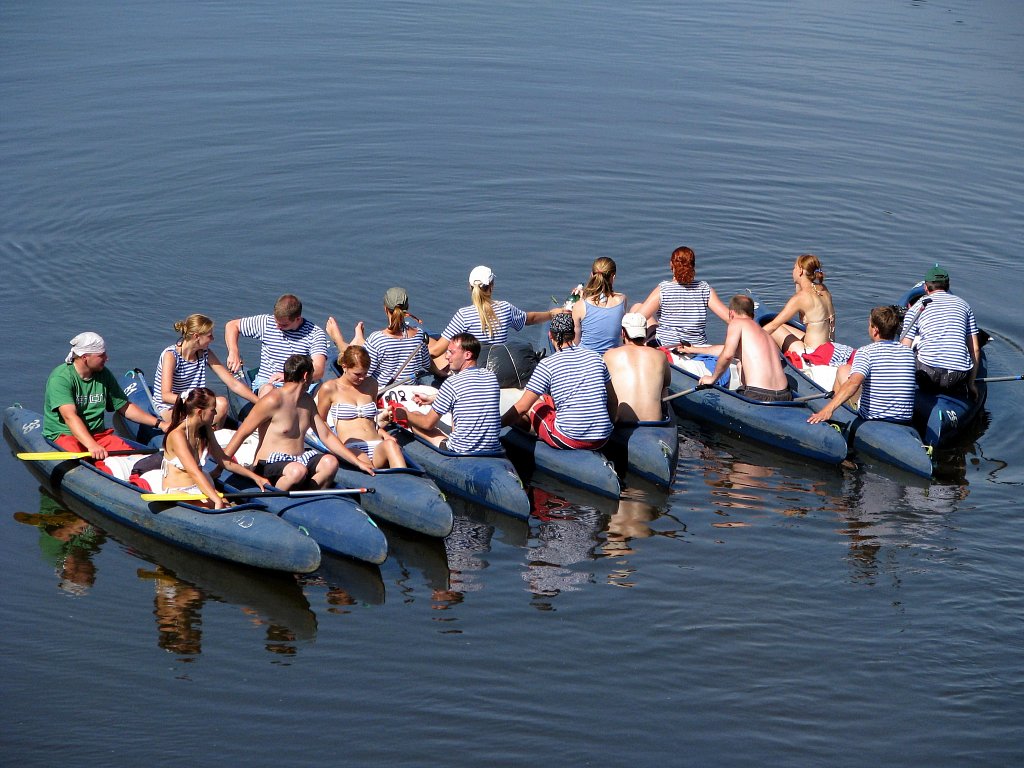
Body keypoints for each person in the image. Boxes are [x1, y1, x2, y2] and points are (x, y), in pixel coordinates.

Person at [223, 354, 374, 491]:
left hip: (299, 460)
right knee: (297, 472)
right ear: (306, 376)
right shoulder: (272, 400)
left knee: (330, 463)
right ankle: (276, 497)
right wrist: (221, 464)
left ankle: (311, 497)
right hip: (268, 464)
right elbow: (243, 432)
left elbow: (326, 435)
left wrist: (356, 462)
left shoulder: (307, 401)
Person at [43, 332, 170, 472]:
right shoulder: (61, 379)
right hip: (66, 435)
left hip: (98, 435)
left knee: (137, 460)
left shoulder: (104, 374)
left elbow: (124, 407)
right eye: (101, 355)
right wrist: (91, 445)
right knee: (84, 465)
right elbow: (69, 416)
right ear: (85, 357)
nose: (107, 358)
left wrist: (160, 424)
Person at [139, 387, 270, 509]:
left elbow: (224, 460)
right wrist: (216, 500)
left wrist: (255, 477)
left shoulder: (206, 429)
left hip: (198, 487)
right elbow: (193, 471)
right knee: (213, 505)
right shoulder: (177, 435)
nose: (216, 413)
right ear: (200, 412)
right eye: (213, 410)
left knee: (226, 505)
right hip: (178, 491)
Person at [502, 313, 614, 449]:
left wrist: (497, 425)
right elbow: (613, 401)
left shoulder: (547, 365)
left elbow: (522, 407)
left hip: (569, 438)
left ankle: (530, 435)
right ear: (573, 334)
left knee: (533, 405)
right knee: (546, 398)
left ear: (550, 335)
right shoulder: (596, 358)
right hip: (603, 438)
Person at [390, 333, 502, 454]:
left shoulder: (452, 383)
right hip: (493, 448)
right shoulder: (491, 377)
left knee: (416, 416)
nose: (446, 356)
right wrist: (432, 399)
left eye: (451, 352)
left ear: (467, 355)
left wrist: (406, 414)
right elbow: (469, 395)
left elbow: (427, 424)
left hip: (461, 450)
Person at [428, 266, 565, 362]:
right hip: (498, 365)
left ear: (470, 288)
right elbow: (530, 319)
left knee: (432, 341)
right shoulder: (504, 308)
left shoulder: (463, 315)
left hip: (474, 368)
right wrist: (551, 314)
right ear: (492, 286)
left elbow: (435, 352)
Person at [809, 306, 917, 425]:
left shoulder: (866, 352)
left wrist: (827, 410)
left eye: (869, 324)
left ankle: (835, 418)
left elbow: (854, 383)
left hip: (873, 416)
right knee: (844, 369)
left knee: (842, 371)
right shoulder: (908, 353)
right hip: (904, 418)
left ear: (875, 330)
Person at [153, 313, 258, 428]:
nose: (212, 339)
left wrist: (258, 401)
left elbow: (232, 383)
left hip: (196, 404)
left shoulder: (205, 353)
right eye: (209, 336)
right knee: (206, 411)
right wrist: (197, 402)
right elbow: (166, 396)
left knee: (222, 403)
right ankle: (204, 431)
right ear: (196, 336)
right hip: (171, 406)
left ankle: (210, 432)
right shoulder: (171, 356)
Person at [684, 294, 792, 402]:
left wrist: (712, 379)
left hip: (758, 394)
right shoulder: (763, 333)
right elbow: (725, 350)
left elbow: (727, 355)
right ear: (753, 315)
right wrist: (693, 349)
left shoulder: (737, 322)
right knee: (740, 364)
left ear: (731, 313)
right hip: (785, 394)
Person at [315, 345, 407, 469]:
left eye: (365, 373)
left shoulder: (371, 384)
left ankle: (405, 477)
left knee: (392, 444)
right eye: (357, 374)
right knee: (369, 469)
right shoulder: (330, 388)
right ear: (344, 367)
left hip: (377, 443)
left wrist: (384, 434)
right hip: (351, 447)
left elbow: (370, 421)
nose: (362, 378)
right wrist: (335, 444)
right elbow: (321, 421)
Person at [325, 286, 435, 388]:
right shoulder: (419, 335)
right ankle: (359, 340)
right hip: (411, 391)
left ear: (385, 309)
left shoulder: (377, 339)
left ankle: (340, 341)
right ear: (407, 308)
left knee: (355, 354)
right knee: (366, 349)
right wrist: (440, 373)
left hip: (383, 392)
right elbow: (427, 363)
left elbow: (361, 369)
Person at [899, 264, 980, 398]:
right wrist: (971, 383)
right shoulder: (965, 306)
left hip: (928, 374)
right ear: (948, 286)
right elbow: (975, 349)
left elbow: (905, 348)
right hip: (957, 376)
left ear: (926, 287)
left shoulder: (917, 307)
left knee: (914, 350)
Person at [224, 294, 329, 395]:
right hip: (269, 382)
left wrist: (289, 377)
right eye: (276, 322)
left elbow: (318, 369)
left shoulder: (315, 334)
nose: (278, 327)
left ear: (297, 319)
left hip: (300, 384)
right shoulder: (266, 323)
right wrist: (233, 352)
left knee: (326, 389)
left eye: (284, 325)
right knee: (268, 390)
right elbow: (232, 326)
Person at [761, 253, 855, 366]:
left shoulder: (800, 298)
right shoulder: (823, 289)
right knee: (783, 326)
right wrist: (798, 282)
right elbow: (802, 311)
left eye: (794, 268)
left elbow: (773, 325)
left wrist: (750, 336)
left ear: (800, 270)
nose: (792, 271)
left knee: (770, 327)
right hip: (829, 348)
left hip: (813, 354)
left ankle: (769, 363)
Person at [630, 246, 730, 350]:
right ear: (693, 265)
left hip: (668, 347)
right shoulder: (704, 289)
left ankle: (633, 351)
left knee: (636, 308)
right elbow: (730, 319)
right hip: (697, 347)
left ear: (671, 265)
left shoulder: (664, 289)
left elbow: (636, 320)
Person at [604, 313, 671, 423]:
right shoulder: (661, 356)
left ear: (623, 333)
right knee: (663, 389)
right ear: (645, 333)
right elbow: (666, 384)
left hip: (622, 422)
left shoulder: (609, 355)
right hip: (655, 422)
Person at [571, 257, 628, 354]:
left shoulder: (580, 306)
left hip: (586, 358)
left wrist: (580, 300)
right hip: (611, 357)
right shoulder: (622, 300)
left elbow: (576, 342)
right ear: (613, 277)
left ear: (591, 275)